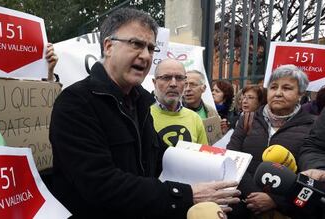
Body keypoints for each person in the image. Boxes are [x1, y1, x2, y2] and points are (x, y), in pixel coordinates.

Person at [47, 8, 240, 219]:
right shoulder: (76, 102)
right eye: (136, 44)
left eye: (150, 47)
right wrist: (185, 195)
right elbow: (99, 184)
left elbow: (161, 158)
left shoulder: (140, 102)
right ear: (109, 46)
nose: (146, 55)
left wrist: (221, 166)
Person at [226, 64, 315, 219]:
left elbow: (311, 178)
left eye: (287, 88)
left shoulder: (313, 126)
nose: (278, 93)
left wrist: (276, 201)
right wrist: (254, 195)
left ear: (300, 93)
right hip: (243, 204)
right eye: (273, 87)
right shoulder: (248, 119)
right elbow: (232, 158)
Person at [151, 59, 208, 146]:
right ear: (155, 83)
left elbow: (203, 157)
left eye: (179, 78)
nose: (173, 84)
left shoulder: (195, 119)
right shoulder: (142, 116)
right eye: (166, 77)